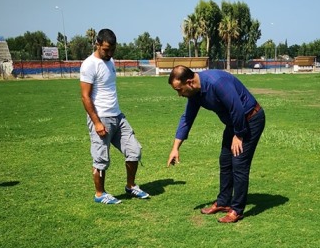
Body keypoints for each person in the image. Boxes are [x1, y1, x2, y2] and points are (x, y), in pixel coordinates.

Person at [167, 66, 265, 223]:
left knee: (239, 162)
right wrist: (175, 148)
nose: (179, 95)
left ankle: (237, 210)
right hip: (235, 123)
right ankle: (223, 202)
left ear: (190, 82)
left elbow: (237, 108)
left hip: (250, 119)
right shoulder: (195, 93)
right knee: (225, 161)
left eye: (180, 90)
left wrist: (239, 135)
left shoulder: (217, 83)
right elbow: (187, 118)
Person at [80, 28, 149, 204]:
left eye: (112, 50)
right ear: (97, 44)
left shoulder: (110, 62)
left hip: (118, 116)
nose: (109, 53)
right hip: (101, 118)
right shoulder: (89, 65)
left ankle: (131, 186)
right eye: (106, 50)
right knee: (101, 158)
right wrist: (96, 122)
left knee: (134, 150)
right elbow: (85, 96)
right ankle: (100, 194)